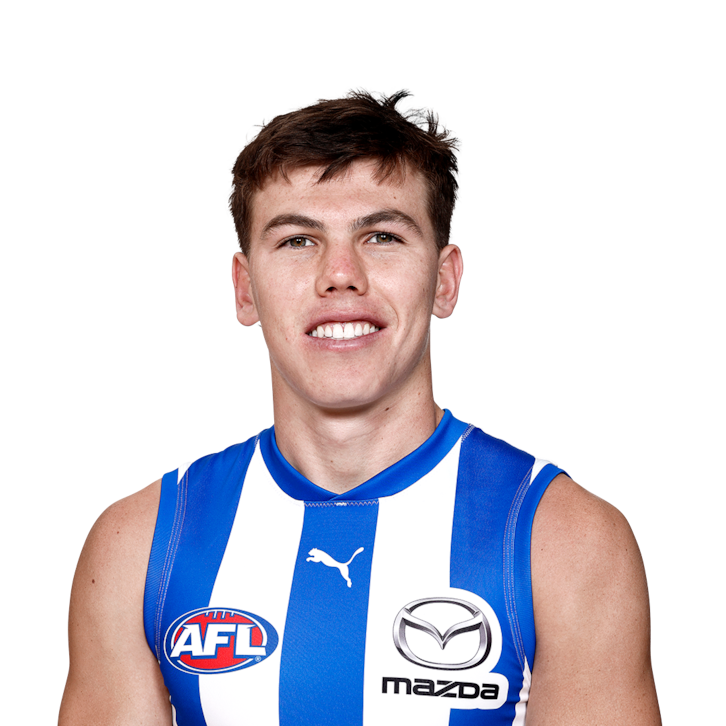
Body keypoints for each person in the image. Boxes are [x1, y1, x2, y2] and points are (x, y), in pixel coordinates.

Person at [58, 85, 661, 725]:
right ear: (244, 288)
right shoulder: (140, 543)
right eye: (298, 240)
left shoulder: (563, 540)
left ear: (446, 279)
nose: (340, 274)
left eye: (381, 236)